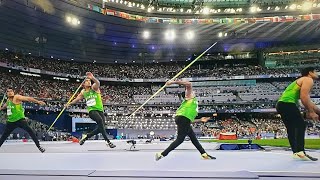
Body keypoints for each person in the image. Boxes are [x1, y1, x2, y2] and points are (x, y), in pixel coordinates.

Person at [155, 80, 216, 161]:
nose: (193, 92)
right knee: (180, 139)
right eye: (192, 92)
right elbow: (189, 84)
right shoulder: (190, 97)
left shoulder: (191, 105)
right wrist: (172, 82)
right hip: (182, 118)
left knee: (193, 138)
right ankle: (162, 154)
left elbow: (188, 121)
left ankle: (204, 154)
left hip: (183, 119)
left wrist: (200, 120)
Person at [276, 67, 319, 161]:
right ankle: (300, 151)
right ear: (310, 72)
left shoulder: (300, 80)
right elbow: (304, 97)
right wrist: (311, 112)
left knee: (291, 129)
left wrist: (317, 111)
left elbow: (309, 102)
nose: (317, 73)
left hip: (281, 104)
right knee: (300, 125)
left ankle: (296, 153)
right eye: (315, 71)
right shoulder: (308, 79)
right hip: (288, 103)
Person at [66, 72, 116, 148]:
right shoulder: (83, 92)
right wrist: (69, 104)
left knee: (100, 128)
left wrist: (93, 78)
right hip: (92, 111)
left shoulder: (94, 88)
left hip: (100, 110)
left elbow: (98, 83)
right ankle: (108, 141)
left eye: (90, 80)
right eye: (87, 81)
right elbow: (76, 99)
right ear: (83, 84)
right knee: (100, 121)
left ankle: (86, 137)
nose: (89, 81)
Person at [0, 87, 46, 152]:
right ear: (6, 93)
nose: (10, 92)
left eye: (11, 91)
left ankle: (39, 146)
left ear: (13, 92)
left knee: (30, 131)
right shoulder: (8, 100)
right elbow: (5, 106)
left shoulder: (16, 97)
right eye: (8, 91)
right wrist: (1, 108)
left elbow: (27, 98)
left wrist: (37, 101)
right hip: (11, 122)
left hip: (20, 120)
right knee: (4, 136)